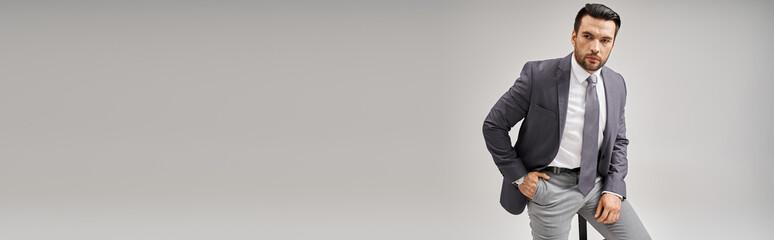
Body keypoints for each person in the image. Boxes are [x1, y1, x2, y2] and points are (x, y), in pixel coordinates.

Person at [482, 3, 651, 240]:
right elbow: (493, 125)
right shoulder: (538, 76)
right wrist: (519, 177)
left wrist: (614, 188)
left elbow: (619, 142)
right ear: (574, 37)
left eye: (605, 40)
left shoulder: (616, 83)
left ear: (612, 44)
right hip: (550, 188)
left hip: (597, 185)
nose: (595, 47)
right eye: (587, 36)